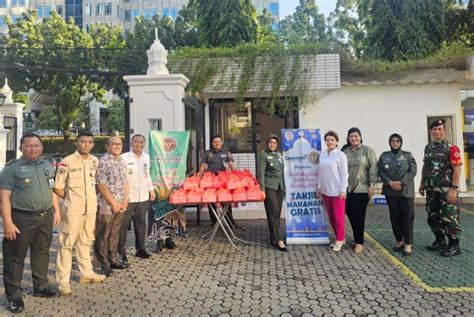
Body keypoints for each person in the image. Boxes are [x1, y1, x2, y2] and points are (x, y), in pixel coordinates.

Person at [0, 133, 61, 313]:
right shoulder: (12, 169)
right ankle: (14, 296)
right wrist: (8, 224)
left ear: (41, 148)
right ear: (21, 148)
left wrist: (56, 210)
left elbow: (52, 190)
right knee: (15, 257)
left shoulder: (47, 166)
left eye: (36, 145)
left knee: (42, 252)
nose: (32, 148)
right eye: (28, 146)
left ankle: (41, 286)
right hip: (21, 218)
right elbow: (4, 198)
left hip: (45, 217)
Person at [54, 131, 106, 296]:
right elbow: (58, 187)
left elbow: (95, 184)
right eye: (83, 142)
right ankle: (63, 281)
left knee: (85, 240)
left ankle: (86, 273)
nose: (87, 145)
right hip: (73, 210)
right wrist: (72, 200)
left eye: (90, 142)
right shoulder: (66, 162)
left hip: (90, 209)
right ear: (77, 143)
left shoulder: (94, 161)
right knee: (67, 243)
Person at [419, 119, 462, 257]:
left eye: (439, 129)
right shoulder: (428, 148)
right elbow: (426, 167)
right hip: (432, 190)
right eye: (434, 129)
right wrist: (422, 183)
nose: (437, 132)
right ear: (431, 131)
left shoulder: (451, 148)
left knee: (449, 217)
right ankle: (440, 241)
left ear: (444, 130)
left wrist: (454, 189)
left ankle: (454, 245)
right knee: (433, 217)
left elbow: (457, 170)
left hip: (447, 191)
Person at [94, 136, 129, 276]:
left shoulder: (122, 160)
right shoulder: (103, 162)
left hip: (121, 204)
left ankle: (113, 260)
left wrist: (125, 200)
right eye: (113, 144)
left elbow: (126, 181)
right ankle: (104, 264)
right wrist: (113, 203)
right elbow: (101, 186)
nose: (117, 146)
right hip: (106, 205)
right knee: (104, 234)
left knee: (115, 233)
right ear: (107, 146)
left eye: (119, 144)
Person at [378, 134, 417, 256]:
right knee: (394, 217)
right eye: (393, 141)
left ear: (401, 142)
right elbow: (380, 171)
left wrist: (401, 182)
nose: (395, 143)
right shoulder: (384, 156)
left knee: (407, 218)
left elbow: (412, 171)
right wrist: (390, 182)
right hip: (391, 191)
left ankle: (408, 244)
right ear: (390, 143)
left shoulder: (408, 155)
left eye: (397, 141)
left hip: (405, 191)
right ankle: (399, 241)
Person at [119, 134, 156, 263]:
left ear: (144, 144)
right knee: (123, 224)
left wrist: (151, 189)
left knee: (141, 223)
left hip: (143, 196)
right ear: (131, 143)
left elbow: (147, 175)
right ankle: (121, 252)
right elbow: (121, 178)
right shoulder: (123, 158)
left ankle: (140, 248)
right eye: (136, 142)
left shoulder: (146, 157)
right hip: (128, 197)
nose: (138, 144)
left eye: (141, 142)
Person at [342, 127, 378, 254]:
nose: (354, 138)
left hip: (362, 189)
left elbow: (373, 168)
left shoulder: (367, 151)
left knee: (359, 215)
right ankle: (356, 237)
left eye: (356, 136)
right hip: (347, 189)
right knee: (351, 215)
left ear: (360, 137)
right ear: (348, 138)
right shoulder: (344, 152)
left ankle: (359, 242)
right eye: (351, 136)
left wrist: (371, 185)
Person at [316, 131, 348, 252]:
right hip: (325, 190)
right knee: (331, 217)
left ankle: (339, 240)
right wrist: (319, 186)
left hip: (337, 191)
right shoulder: (323, 155)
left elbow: (345, 174)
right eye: (328, 140)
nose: (330, 142)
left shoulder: (340, 155)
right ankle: (340, 237)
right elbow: (320, 172)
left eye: (332, 140)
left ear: (337, 142)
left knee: (339, 218)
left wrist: (343, 190)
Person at [199, 135, 236, 227]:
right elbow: (203, 166)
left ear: (222, 142)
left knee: (226, 201)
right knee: (211, 201)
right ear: (212, 143)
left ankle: (230, 222)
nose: (217, 143)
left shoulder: (226, 152)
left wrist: (236, 175)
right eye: (215, 142)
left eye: (219, 142)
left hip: (223, 181)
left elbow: (231, 165)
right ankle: (214, 222)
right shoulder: (207, 153)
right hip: (210, 180)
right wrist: (198, 178)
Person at [258, 134, 287, 251]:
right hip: (269, 187)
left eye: (275, 143)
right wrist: (262, 190)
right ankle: (279, 240)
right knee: (274, 213)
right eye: (270, 142)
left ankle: (273, 238)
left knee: (276, 214)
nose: (272, 144)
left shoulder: (279, 155)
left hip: (279, 187)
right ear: (267, 143)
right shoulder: (263, 155)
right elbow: (261, 173)